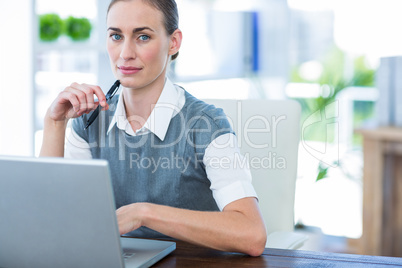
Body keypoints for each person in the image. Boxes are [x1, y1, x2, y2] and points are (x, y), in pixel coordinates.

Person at [40, 0, 267, 256]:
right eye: (116, 35)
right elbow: (51, 222)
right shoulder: (89, 121)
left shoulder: (206, 126)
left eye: (143, 37)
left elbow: (252, 234)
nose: (125, 53)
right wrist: (55, 123)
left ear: (174, 42)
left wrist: (143, 213)